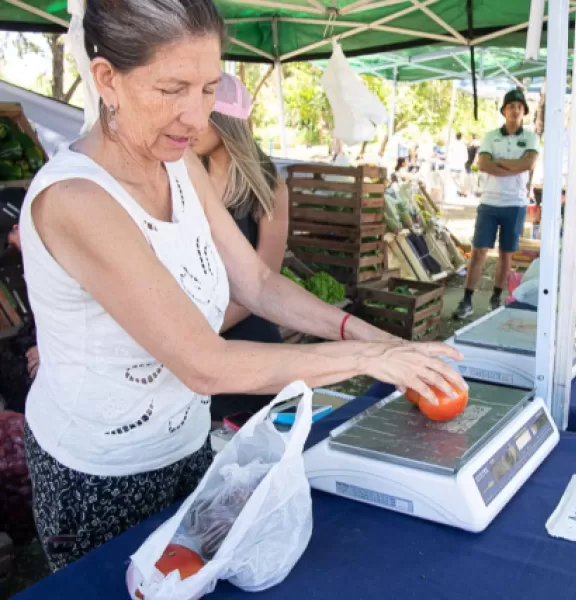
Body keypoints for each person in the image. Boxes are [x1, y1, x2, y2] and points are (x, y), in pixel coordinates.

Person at [21, 0, 465, 572]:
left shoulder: (175, 165)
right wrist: (369, 358)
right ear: (107, 78)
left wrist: (373, 335)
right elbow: (204, 363)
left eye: (209, 88)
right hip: (101, 473)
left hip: (184, 443)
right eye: (172, 88)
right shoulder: (77, 199)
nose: (196, 117)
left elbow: (256, 280)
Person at [190, 74, 289, 421]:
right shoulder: (181, 176)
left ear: (226, 121)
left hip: (246, 345)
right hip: (193, 346)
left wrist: (202, 332)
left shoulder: (268, 187)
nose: (190, 124)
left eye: (201, 114)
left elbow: (265, 278)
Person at [454, 89, 540, 319]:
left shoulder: (531, 137)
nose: (516, 110)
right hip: (489, 202)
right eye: (511, 106)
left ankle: (496, 298)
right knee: (479, 251)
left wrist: (499, 163)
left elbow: (529, 163)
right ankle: (467, 300)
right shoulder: (490, 136)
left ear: (524, 112)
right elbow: (483, 164)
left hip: (516, 204)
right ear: (504, 110)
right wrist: (514, 164)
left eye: (520, 107)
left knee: (506, 254)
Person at [0, 188, 38, 413]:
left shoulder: (62, 252)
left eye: (10, 240)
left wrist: (48, 349)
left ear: (18, 227)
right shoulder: (35, 254)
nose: (12, 247)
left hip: (79, 347)